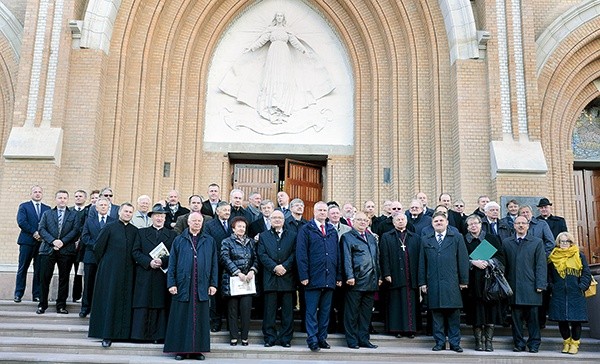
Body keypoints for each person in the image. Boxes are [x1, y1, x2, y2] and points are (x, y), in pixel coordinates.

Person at [220, 12, 334, 123]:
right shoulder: (270, 30)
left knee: (284, 78)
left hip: (284, 55)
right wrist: (251, 48)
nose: (279, 18)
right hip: (273, 54)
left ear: (283, 18)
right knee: (272, 77)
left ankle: (283, 108)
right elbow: (262, 41)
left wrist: (304, 50)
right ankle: (271, 107)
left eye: (281, 16)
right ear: (275, 18)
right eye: (278, 16)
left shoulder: (287, 31)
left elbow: (295, 42)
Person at [164, 212, 218, 361]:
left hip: (202, 284)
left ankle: (197, 351)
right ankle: (180, 350)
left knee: (200, 319)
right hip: (183, 284)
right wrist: (171, 283)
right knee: (181, 318)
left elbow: (214, 264)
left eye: (199, 221)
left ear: (202, 223)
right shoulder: (179, 240)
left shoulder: (209, 241)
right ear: (188, 222)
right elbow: (172, 263)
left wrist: (213, 283)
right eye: (194, 220)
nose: (196, 223)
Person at [88, 203, 138, 347]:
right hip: (110, 271)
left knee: (125, 302)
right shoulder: (109, 227)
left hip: (128, 272)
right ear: (119, 212)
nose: (128, 214)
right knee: (110, 301)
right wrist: (107, 264)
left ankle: (123, 334)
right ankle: (107, 334)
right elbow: (98, 248)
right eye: (125, 211)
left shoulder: (135, 231)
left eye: (130, 212)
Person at [418, 212, 469, 352]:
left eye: (441, 220)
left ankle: (454, 343)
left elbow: (463, 260)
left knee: (453, 315)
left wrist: (463, 280)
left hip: (452, 283)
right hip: (433, 283)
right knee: (436, 316)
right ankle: (439, 342)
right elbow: (422, 263)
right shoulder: (426, 239)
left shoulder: (457, 237)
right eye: (436, 221)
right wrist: (422, 282)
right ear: (432, 224)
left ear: (447, 222)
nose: (439, 223)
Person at [296, 201, 341, 352]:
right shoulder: (306, 229)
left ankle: (322, 338)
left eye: (324, 210)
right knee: (311, 311)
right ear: (314, 212)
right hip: (312, 277)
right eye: (320, 210)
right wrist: (304, 275)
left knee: (325, 310)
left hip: (329, 277)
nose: (322, 212)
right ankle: (312, 339)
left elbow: (337, 254)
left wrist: (338, 276)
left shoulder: (332, 230)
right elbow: (301, 254)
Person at [131, 204, 177, 342]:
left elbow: (175, 254)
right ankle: (139, 335)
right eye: (157, 215)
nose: (159, 218)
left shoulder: (172, 235)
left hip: (162, 275)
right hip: (145, 274)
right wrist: (148, 262)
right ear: (151, 217)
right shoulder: (141, 232)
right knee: (142, 303)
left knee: (160, 304)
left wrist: (163, 261)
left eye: (162, 216)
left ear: (165, 218)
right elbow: (135, 252)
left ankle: (158, 336)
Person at [502, 215, 547, 353]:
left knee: (533, 319)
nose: (521, 225)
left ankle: (534, 344)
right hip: (514, 286)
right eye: (518, 223)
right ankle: (519, 344)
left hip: (532, 286)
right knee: (516, 320)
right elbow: (504, 265)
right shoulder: (507, 242)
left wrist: (540, 284)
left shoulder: (537, 242)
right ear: (514, 226)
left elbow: (541, 265)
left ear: (528, 225)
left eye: (523, 223)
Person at [463, 214, 505, 351]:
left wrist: (489, 262)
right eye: (470, 224)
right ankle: (478, 342)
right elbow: (460, 259)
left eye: (476, 223)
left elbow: (501, 257)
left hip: (490, 282)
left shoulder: (491, 238)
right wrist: (472, 262)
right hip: (472, 282)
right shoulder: (464, 240)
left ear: (481, 224)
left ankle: (488, 341)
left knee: (490, 311)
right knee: (476, 312)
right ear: (467, 227)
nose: (473, 226)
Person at [36, 190, 81, 314]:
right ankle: (42, 305)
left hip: (66, 251)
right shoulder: (47, 213)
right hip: (48, 250)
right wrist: (53, 241)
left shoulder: (73, 215)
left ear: (67, 200)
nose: (62, 200)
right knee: (44, 278)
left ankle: (61, 305)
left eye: (65, 198)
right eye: (60, 197)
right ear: (56, 199)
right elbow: (42, 229)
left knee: (64, 278)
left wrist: (62, 242)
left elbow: (76, 230)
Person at [548, 232, 592, 355]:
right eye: (562, 241)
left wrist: (582, 286)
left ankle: (575, 344)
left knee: (576, 320)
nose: (564, 244)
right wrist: (552, 287)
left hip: (576, 292)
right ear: (558, 243)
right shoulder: (553, 257)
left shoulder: (579, 255)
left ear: (571, 243)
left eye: (567, 241)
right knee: (561, 320)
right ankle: (566, 342)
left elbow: (586, 273)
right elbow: (549, 275)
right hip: (559, 293)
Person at [342, 212, 381, 349]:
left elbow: (376, 258)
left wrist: (379, 276)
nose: (363, 222)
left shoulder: (371, 237)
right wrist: (349, 276)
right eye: (359, 220)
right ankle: (352, 340)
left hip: (371, 281)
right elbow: (346, 258)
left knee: (366, 314)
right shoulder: (347, 237)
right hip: (356, 281)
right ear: (353, 221)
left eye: (365, 220)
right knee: (352, 313)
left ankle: (364, 339)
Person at [257, 210, 296, 347]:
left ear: (284, 220)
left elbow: (294, 253)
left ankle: (286, 339)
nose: (277, 220)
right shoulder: (263, 236)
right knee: (269, 312)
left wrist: (285, 266)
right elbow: (261, 254)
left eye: (280, 217)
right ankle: (269, 338)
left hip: (287, 277)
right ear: (270, 220)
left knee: (287, 312)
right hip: (270, 278)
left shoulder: (292, 235)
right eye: (274, 218)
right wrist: (275, 267)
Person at [379, 213, 419, 338]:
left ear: (406, 221)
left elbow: (418, 257)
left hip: (410, 276)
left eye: (402, 219)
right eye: (398, 220)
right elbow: (383, 256)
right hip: (394, 275)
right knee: (396, 303)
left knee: (411, 303)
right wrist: (386, 273)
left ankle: (411, 329)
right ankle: (396, 329)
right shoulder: (386, 236)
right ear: (393, 222)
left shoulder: (415, 237)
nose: (400, 221)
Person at [220, 216, 258, 346]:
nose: (241, 229)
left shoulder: (251, 242)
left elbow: (256, 258)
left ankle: (245, 336)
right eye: (239, 226)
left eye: (243, 226)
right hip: (233, 280)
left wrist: (252, 270)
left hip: (247, 280)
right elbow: (224, 258)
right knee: (232, 310)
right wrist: (237, 272)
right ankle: (234, 336)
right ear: (233, 228)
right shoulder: (227, 242)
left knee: (246, 310)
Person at [79, 197, 114, 317]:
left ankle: (99, 308)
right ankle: (85, 308)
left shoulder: (113, 221)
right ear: (96, 207)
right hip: (91, 256)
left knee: (104, 284)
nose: (103, 207)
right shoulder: (89, 221)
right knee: (88, 283)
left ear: (109, 207)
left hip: (106, 257)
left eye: (105, 205)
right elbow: (85, 237)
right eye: (101, 205)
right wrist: (97, 245)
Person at [14, 185, 50, 303]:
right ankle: (18, 294)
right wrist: (34, 232)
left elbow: (49, 224)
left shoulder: (47, 208)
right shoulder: (24, 206)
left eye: (40, 192)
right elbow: (21, 222)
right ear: (31, 194)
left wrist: (42, 235)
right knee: (23, 267)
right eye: (35, 192)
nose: (37, 194)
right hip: (27, 242)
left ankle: (37, 295)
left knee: (39, 270)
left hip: (41, 244)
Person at [202, 201, 232, 332]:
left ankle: (230, 321)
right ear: (217, 211)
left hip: (232, 266)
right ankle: (215, 321)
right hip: (216, 264)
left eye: (228, 210)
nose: (227, 212)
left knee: (230, 294)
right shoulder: (209, 225)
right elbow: (208, 244)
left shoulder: (234, 224)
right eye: (224, 210)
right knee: (215, 295)